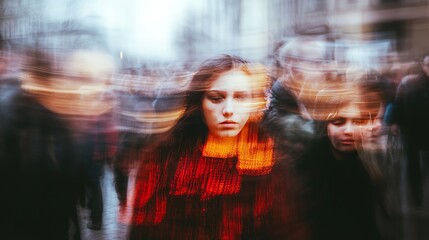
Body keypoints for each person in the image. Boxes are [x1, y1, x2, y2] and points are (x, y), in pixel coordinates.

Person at [125, 55, 300, 239]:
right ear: (200, 103)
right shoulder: (164, 156)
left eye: (240, 97)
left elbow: (287, 229)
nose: (228, 109)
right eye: (216, 98)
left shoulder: (271, 161)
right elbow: (144, 228)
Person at [264, 71, 386, 240]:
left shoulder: (364, 163)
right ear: (324, 123)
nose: (348, 131)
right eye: (338, 122)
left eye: (358, 121)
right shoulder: (305, 165)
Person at [0, 49, 84, 240]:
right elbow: (71, 172)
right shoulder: (57, 113)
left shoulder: (55, 113)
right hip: (42, 215)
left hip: (23, 216)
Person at [394, 53, 429, 208]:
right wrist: (397, 123)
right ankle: (417, 197)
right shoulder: (410, 83)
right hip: (412, 131)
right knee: (413, 165)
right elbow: (400, 103)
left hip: (420, 131)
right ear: (423, 66)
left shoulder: (410, 83)